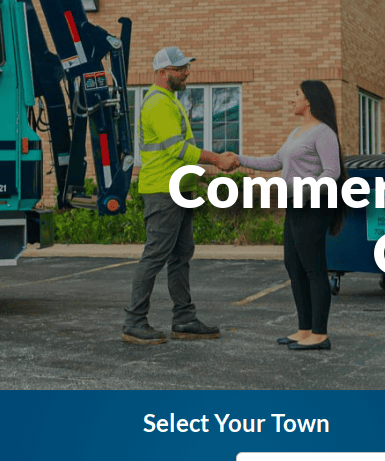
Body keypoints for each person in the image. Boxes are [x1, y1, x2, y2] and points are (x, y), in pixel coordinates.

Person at [122, 46, 238, 345]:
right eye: (179, 69)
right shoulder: (158, 104)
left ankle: (184, 320)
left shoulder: (170, 101)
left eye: (186, 67)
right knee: (155, 256)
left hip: (179, 190)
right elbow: (179, 150)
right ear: (162, 73)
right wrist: (216, 160)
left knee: (180, 256)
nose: (186, 73)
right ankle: (134, 322)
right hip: (163, 191)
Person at [235, 80, 345, 351]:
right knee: (294, 267)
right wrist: (240, 159)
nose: (291, 99)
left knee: (313, 269)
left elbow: (332, 172)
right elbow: (275, 161)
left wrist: (296, 188)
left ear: (309, 101)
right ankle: (304, 329)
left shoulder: (324, 133)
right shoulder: (297, 132)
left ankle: (320, 334)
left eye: (296, 94)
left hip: (314, 206)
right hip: (294, 206)